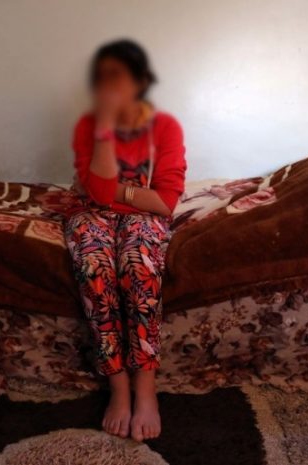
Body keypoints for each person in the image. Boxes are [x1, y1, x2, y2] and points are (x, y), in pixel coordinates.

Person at [64, 39, 187, 442]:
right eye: (101, 78)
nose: (108, 86)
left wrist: (115, 193)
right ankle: (118, 387)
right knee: (95, 267)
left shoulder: (165, 128)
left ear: (140, 81)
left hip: (145, 218)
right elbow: (98, 196)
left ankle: (146, 388)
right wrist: (103, 131)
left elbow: (165, 203)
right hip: (90, 215)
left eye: (116, 76)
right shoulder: (87, 127)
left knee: (138, 265)